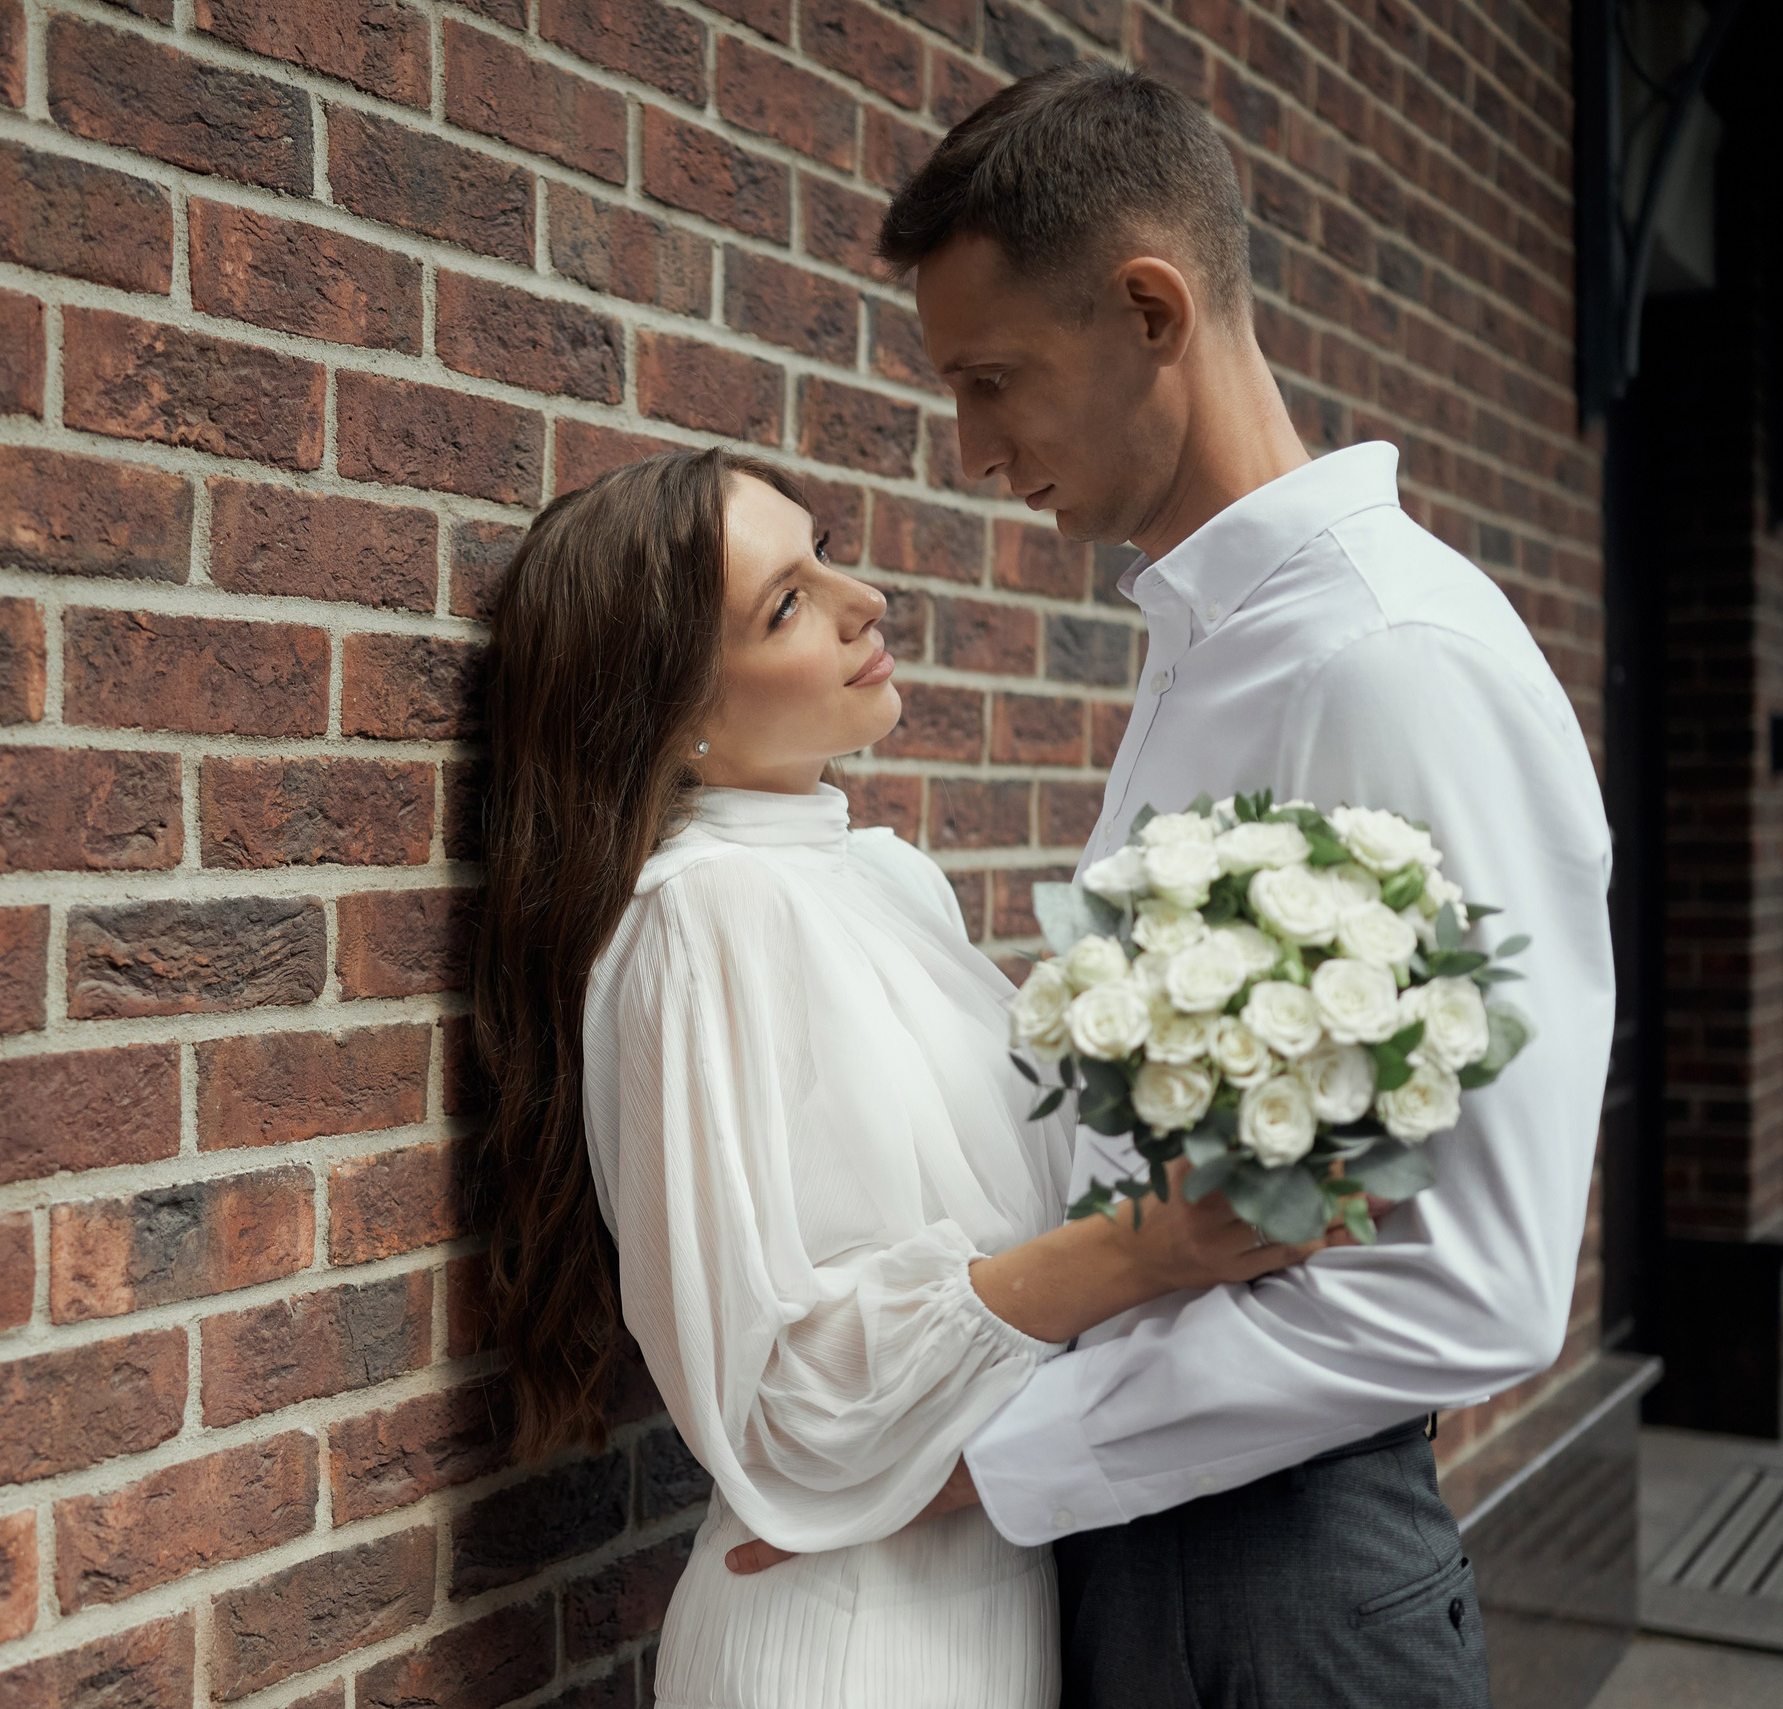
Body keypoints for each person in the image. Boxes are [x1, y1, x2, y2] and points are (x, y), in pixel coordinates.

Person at [734, 63, 1614, 1708]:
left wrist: (989, 1462)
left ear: (1152, 310)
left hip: (1283, 1587)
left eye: (995, 380)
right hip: (1136, 1552)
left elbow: (1474, 1275)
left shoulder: (1393, 658)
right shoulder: (1206, 647)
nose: (975, 447)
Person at [470, 445, 1323, 1708]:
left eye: (822, 556)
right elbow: (775, 1407)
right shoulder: (702, 919)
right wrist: (1145, 1248)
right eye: (786, 601)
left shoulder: (884, 879)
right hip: (849, 1641)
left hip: (993, 1595)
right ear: (675, 714)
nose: (861, 597)